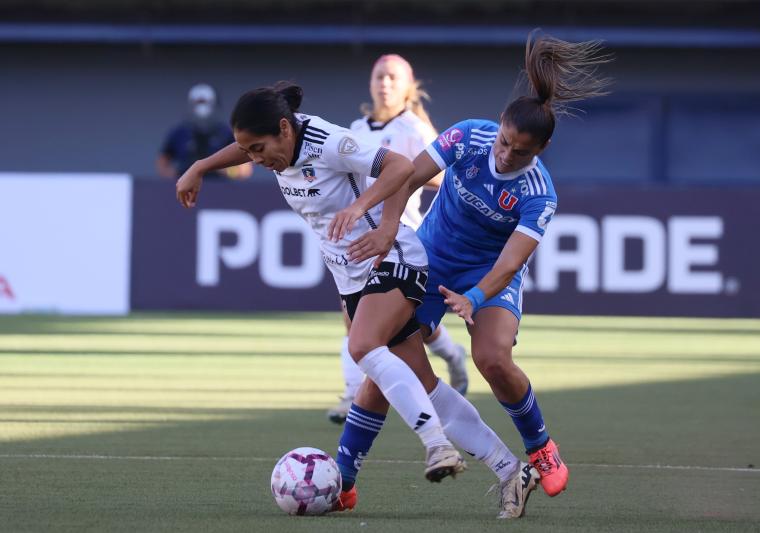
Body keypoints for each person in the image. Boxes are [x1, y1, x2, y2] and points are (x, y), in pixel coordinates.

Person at [175, 82, 538, 519]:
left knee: (362, 347)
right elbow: (241, 147)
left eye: (259, 148)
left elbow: (400, 166)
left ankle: (436, 446)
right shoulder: (270, 144)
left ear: (285, 129)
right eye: (247, 150)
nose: (255, 159)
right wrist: (200, 166)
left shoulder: (329, 141)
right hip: (351, 275)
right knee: (421, 383)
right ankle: (510, 470)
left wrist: (374, 217)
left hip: (393, 256)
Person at [346, 33, 612, 499]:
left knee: (491, 358)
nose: (506, 154)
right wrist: (390, 228)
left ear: (540, 151)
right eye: (506, 141)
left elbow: (511, 263)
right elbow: (407, 178)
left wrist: (474, 298)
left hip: (487, 274)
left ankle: (541, 447)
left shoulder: (539, 195)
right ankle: (344, 481)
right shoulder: (470, 135)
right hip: (427, 258)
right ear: (500, 125)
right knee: (379, 362)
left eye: (521, 151)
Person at [327, 54, 469, 425]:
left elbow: (446, 175)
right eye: (379, 77)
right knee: (353, 317)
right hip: (359, 240)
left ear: (408, 86)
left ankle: (452, 356)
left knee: (408, 326)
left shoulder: (414, 129)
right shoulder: (355, 128)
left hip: (402, 239)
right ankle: (350, 392)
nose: (384, 84)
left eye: (392, 77)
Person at [157, 83, 252, 180]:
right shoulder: (179, 133)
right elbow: (163, 162)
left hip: (220, 188)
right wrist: (176, 177)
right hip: (187, 188)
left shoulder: (226, 133)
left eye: (205, 102)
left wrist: (224, 170)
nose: (201, 107)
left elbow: (244, 170)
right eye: (198, 102)